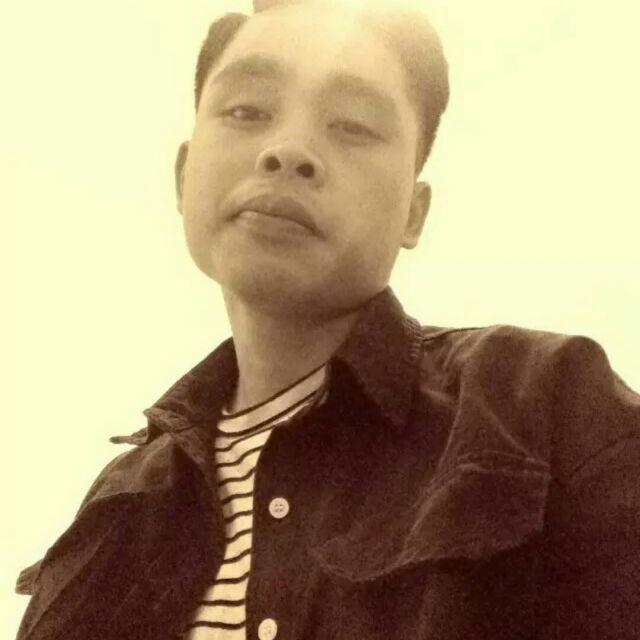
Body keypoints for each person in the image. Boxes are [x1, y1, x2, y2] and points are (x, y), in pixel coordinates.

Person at [15, 1, 640, 639]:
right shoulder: (117, 506)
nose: (288, 151)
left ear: (413, 212)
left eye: (352, 126)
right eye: (247, 111)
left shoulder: (542, 406)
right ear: (184, 175)